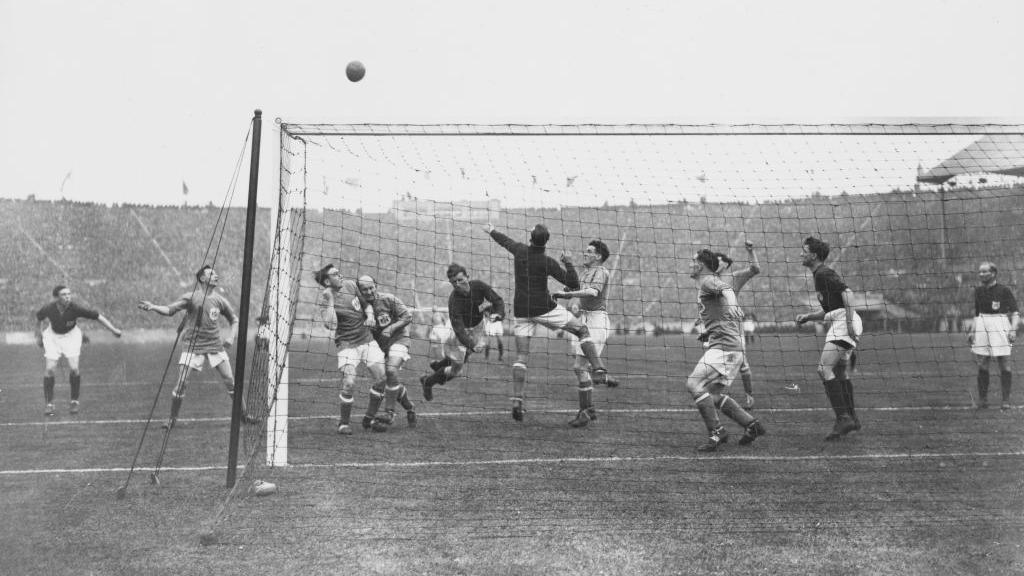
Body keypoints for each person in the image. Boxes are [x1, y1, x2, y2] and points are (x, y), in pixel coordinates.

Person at [486, 223, 612, 424]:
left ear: (530, 237)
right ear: (546, 241)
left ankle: (518, 399)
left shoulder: (519, 250)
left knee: (521, 356)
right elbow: (572, 284)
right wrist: (569, 263)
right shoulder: (547, 262)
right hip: (544, 307)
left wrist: (491, 230)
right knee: (581, 329)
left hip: (521, 309)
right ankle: (598, 367)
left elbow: (504, 241)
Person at [138, 266, 256, 429]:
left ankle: (244, 415)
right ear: (202, 279)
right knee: (181, 384)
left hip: (214, 345)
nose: (216, 275)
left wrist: (231, 336)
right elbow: (170, 310)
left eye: (215, 273)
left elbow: (234, 319)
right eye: (211, 274)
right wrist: (153, 307)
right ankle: (172, 419)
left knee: (230, 381)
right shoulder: (191, 297)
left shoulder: (220, 300)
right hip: (192, 346)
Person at [686, 248, 765, 451]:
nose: (690, 264)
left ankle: (717, 431)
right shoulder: (705, 283)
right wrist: (708, 332)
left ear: (701, 265)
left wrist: (732, 307)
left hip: (725, 348)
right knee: (713, 395)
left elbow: (727, 291)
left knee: (694, 384)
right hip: (728, 346)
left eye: (693, 261)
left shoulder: (708, 281)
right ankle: (751, 425)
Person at [796, 236, 863, 440]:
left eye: (804, 250)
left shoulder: (823, 273)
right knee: (840, 373)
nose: (801, 253)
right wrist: (808, 316)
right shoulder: (819, 275)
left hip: (845, 322)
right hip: (841, 320)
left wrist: (849, 322)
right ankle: (852, 418)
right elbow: (829, 310)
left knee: (823, 369)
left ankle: (843, 418)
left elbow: (848, 294)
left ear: (813, 255)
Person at [313, 264, 387, 435]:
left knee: (381, 379)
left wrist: (369, 315)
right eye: (335, 274)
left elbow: (367, 305)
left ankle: (369, 418)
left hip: (366, 339)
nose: (340, 275)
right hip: (346, 344)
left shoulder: (351, 285)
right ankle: (343, 423)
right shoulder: (325, 300)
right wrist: (331, 299)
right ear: (326, 280)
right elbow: (331, 325)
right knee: (349, 382)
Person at [553, 238, 619, 428]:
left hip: (596, 321)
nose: (586, 253)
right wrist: (561, 292)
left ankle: (585, 412)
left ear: (598, 256)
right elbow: (572, 288)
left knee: (579, 366)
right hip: (584, 319)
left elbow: (591, 293)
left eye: (589, 251)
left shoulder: (601, 272)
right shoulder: (585, 272)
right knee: (580, 364)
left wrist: (567, 295)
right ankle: (591, 404)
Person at [419, 263, 505, 401]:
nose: (458, 284)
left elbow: (497, 300)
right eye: (454, 282)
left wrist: (499, 314)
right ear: (451, 283)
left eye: (460, 280)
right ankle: (428, 382)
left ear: (467, 277)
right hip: (460, 334)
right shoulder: (454, 301)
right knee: (456, 371)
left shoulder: (479, 286)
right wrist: (472, 344)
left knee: (463, 358)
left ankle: (439, 365)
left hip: (477, 327)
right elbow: (459, 329)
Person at [36, 284, 122, 416]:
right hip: (53, 336)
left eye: (69, 294)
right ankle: (49, 404)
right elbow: (39, 318)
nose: (67, 297)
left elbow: (97, 316)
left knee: (74, 368)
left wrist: (113, 330)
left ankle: (74, 402)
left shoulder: (75, 308)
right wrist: (39, 334)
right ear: (56, 297)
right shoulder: (49, 308)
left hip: (71, 336)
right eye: (64, 295)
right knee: (49, 369)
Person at [356, 275, 417, 429]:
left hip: (399, 340)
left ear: (376, 286)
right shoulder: (359, 308)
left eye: (371, 287)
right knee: (384, 379)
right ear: (359, 291)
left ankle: (389, 413)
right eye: (365, 289)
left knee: (390, 371)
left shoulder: (389, 299)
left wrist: (391, 328)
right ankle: (409, 408)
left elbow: (407, 316)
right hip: (379, 347)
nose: (369, 291)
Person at [967, 261, 1019, 410]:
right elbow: (977, 314)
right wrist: (972, 331)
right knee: (982, 362)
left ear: (993, 273)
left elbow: (1015, 312)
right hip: (983, 324)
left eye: (984, 272)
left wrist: (1013, 329)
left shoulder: (1004, 290)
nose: (981, 274)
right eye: (980, 272)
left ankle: (1006, 400)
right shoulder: (978, 291)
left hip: (1000, 324)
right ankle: (983, 400)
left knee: (1004, 362)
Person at [731, 241, 761, 409]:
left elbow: (755, 269)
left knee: (742, 363)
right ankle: (714, 395)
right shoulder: (709, 281)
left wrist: (751, 252)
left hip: (733, 328)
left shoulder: (734, 277)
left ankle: (749, 396)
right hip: (715, 329)